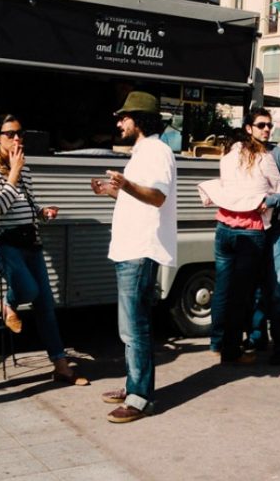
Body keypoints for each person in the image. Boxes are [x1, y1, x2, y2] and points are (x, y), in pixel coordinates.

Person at [0, 114, 88, 386]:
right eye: (9, 134)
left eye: (20, 133)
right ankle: (8, 304)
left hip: (28, 240)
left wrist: (42, 212)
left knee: (45, 305)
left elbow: (26, 204)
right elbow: (0, 205)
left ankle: (61, 366)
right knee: (28, 290)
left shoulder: (23, 168)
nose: (17, 139)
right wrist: (14, 170)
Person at [91, 91, 176, 424]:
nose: (119, 121)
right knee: (129, 326)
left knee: (135, 327)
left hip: (141, 249)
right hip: (130, 248)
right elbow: (139, 195)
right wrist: (112, 190)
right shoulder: (143, 151)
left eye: (124, 117)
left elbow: (156, 197)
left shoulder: (156, 151)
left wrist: (124, 184)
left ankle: (141, 398)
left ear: (139, 120)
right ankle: (133, 386)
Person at [198, 127, 280, 365]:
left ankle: (217, 342)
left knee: (223, 288)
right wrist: (265, 198)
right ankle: (231, 349)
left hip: (223, 228)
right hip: (250, 229)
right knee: (242, 293)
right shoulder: (263, 158)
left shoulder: (225, 159)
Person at [245, 108, 280, 365]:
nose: (266, 129)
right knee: (255, 287)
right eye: (261, 125)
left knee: (278, 288)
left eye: (269, 125)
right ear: (249, 128)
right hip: (252, 227)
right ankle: (257, 337)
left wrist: (270, 200)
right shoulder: (243, 155)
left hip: (276, 228)